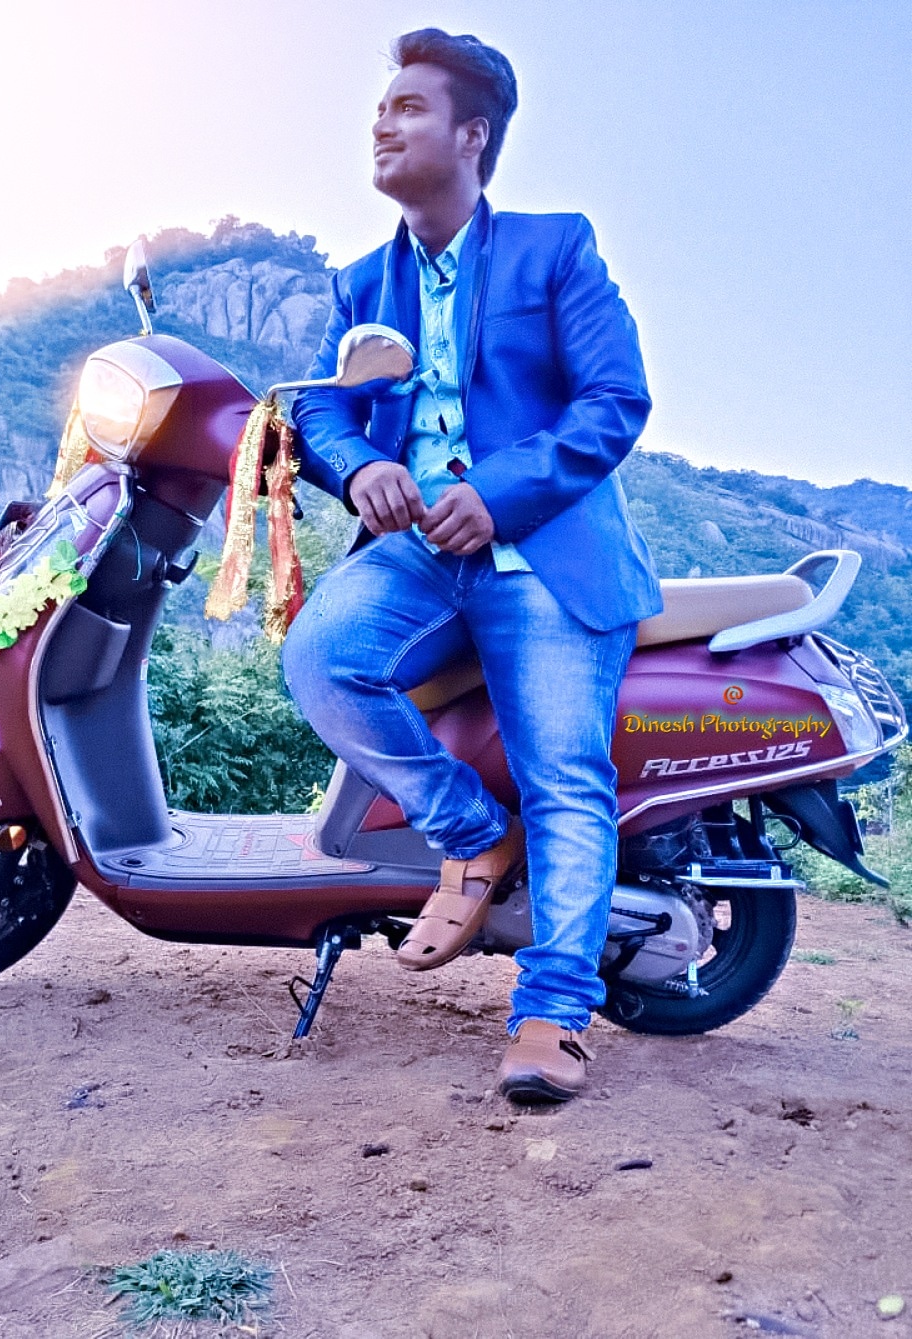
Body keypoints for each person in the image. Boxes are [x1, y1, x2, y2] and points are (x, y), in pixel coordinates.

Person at [282, 28, 662, 1103]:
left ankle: (551, 1015)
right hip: (416, 557)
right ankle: (472, 835)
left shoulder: (556, 248)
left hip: (543, 552)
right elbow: (321, 413)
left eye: (409, 107)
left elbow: (615, 401)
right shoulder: (362, 283)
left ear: (472, 135)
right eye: (381, 107)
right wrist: (362, 468)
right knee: (320, 657)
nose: (383, 122)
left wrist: (497, 492)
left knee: (565, 777)